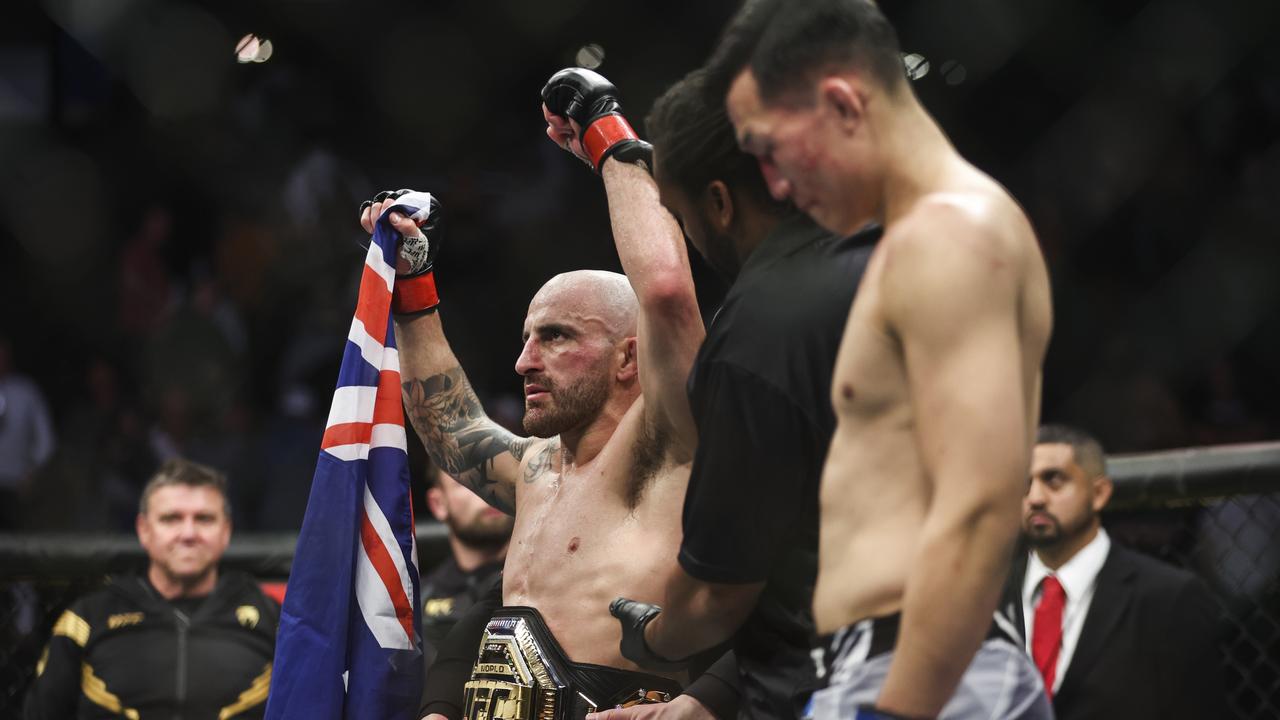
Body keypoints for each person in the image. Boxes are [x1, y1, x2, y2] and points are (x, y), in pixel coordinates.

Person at [637, 1, 1054, 717]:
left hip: (921, 673)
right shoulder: (912, 242)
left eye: (769, 149)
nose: (772, 184)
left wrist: (898, 709)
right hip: (883, 666)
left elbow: (981, 504)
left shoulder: (954, 232)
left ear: (840, 104)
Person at [360, 64, 706, 718]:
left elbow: (664, 293)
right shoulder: (537, 470)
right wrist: (413, 286)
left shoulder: (668, 452)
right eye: (526, 338)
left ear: (630, 357)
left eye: (555, 338)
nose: (524, 362)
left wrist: (611, 141)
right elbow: (447, 424)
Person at [605, 68, 880, 720]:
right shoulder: (903, 258)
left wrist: (652, 634)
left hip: (852, 680)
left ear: (721, 203)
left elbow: (715, 596)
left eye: (683, 214)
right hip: (986, 646)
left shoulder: (758, 330)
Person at [24, 458, 278, 719]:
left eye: (204, 519)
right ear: (144, 530)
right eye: (171, 519)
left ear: (226, 531)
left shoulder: (273, 621)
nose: (188, 533)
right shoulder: (87, 620)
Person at [1014, 424, 1225, 719]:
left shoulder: (1167, 598)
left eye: (1054, 480)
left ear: (1099, 493)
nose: (1035, 498)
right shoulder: (985, 598)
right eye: (1024, 484)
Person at [420, 464, 512, 671]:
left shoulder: (548, 584)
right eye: (469, 482)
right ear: (438, 504)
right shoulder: (415, 600)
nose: (489, 491)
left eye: (497, 477)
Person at [0, 334, 56, 530]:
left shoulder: (27, 392)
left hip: (17, 485)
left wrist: (32, 471)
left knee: (14, 547)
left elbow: (46, 440)